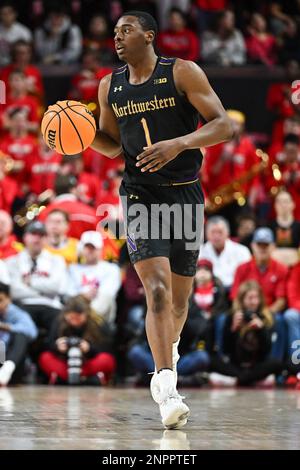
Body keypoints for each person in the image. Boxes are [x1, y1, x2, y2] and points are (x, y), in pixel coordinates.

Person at [90, 10, 232, 428]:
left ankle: (167, 352)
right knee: (155, 290)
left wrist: (179, 144)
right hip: (140, 196)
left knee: (179, 301)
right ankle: (166, 387)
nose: (117, 37)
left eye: (127, 30)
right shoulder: (108, 85)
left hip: (185, 195)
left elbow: (223, 126)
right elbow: (113, 147)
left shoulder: (182, 72)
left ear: (150, 36)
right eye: (114, 31)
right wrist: (78, 136)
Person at [209, 280, 284, 387]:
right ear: (242, 300)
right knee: (210, 360)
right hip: (236, 364)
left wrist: (261, 330)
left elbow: (266, 352)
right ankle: (251, 379)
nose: (254, 302)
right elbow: (226, 350)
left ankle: (237, 379)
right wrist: (233, 329)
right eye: (250, 298)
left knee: (276, 363)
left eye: (256, 298)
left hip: (257, 365)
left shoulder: (266, 317)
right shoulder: (232, 317)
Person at [231, 227, 288, 360]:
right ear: (252, 246)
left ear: (273, 246)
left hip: (269, 311)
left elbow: (281, 300)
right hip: (245, 310)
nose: (262, 248)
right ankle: (226, 359)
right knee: (224, 319)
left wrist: (264, 314)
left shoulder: (281, 269)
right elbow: (235, 297)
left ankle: (275, 362)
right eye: (259, 244)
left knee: (279, 320)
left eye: (266, 245)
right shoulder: (242, 268)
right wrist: (241, 314)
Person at [5, 221, 68, 333]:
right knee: (18, 322)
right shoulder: (12, 262)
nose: (37, 238)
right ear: (25, 237)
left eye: (41, 235)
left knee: (61, 324)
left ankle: (52, 350)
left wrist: (30, 283)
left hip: (51, 307)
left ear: (47, 239)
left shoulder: (57, 260)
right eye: (33, 234)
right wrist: (44, 292)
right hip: (24, 305)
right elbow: (14, 291)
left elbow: (56, 287)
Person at [39, 295, 116, 385]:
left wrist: (89, 348)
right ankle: (85, 379)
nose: (75, 322)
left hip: (88, 363)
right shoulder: (59, 321)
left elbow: (107, 348)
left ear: (86, 314)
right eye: (71, 318)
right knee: (45, 357)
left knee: (107, 360)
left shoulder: (97, 323)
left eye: (78, 318)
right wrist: (57, 347)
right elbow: (48, 344)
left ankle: (67, 379)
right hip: (65, 364)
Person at [68, 231, 121, 325]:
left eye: (93, 248)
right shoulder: (73, 269)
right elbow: (67, 292)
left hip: (99, 317)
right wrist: (83, 296)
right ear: (82, 249)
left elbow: (107, 293)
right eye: (87, 247)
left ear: (101, 249)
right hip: (75, 310)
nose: (90, 251)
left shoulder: (112, 269)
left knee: (106, 298)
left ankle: (86, 319)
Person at [0, 282, 37, 386]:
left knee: (21, 335)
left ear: (8, 299)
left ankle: (7, 368)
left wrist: (5, 327)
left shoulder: (17, 313)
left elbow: (32, 332)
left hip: (11, 363)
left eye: (0, 300)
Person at [199, 216, 251, 290]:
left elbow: (248, 278)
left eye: (220, 232)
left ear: (228, 233)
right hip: (207, 293)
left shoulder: (242, 251)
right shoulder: (199, 252)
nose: (216, 236)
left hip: (234, 292)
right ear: (207, 234)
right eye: (213, 232)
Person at [268, 190, 300, 267]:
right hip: (274, 269)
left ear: (293, 204)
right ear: (275, 205)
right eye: (279, 202)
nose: (283, 205)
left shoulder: (299, 226)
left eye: (286, 201)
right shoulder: (269, 227)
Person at [0, 1, 32, 67]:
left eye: (9, 13)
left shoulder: (24, 32)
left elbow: (28, 53)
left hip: (18, 67)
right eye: (3, 13)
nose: (7, 16)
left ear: (15, 14)